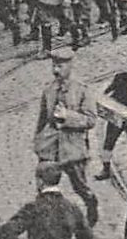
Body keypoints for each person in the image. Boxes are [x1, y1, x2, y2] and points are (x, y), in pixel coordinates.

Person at [33, 48, 101, 226]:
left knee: (80, 187)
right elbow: (42, 119)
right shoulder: (48, 90)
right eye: (54, 66)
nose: (56, 70)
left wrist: (68, 116)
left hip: (72, 147)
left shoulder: (82, 90)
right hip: (50, 147)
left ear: (70, 66)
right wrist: (39, 141)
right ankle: (45, 221)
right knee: (43, 186)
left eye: (60, 66)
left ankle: (91, 206)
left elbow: (91, 119)